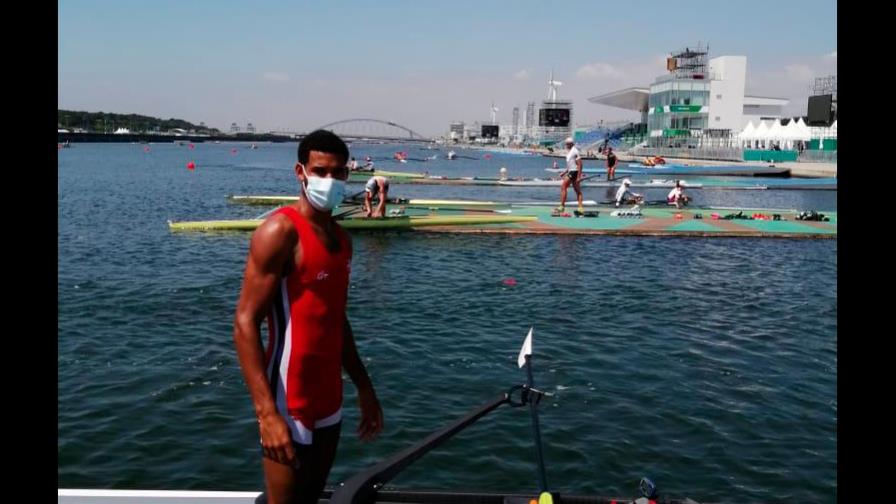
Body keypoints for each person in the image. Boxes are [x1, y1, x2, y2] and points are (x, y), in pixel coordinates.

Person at [233, 130, 383, 504]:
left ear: (347, 175)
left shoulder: (342, 240)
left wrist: (364, 387)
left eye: (337, 173)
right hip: (288, 397)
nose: (329, 181)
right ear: (300, 172)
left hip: (329, 395)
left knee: (312, 498)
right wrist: (267, 414)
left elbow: (336, 319)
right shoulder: (280, 232)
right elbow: (245, 322)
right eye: (320, 171)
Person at [558, 137, 584, 213]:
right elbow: (570, 165)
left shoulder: (575, 151)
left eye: (568, 144)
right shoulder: (570, 151)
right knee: (577, 190)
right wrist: (564, 172)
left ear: (571, 144)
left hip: (574, 172)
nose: (566, 145)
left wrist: (579, 177)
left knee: (563, 186)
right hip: (571, 171)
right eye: (566, 144)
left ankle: (562, 206)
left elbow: (580, 164)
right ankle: (580, 208)